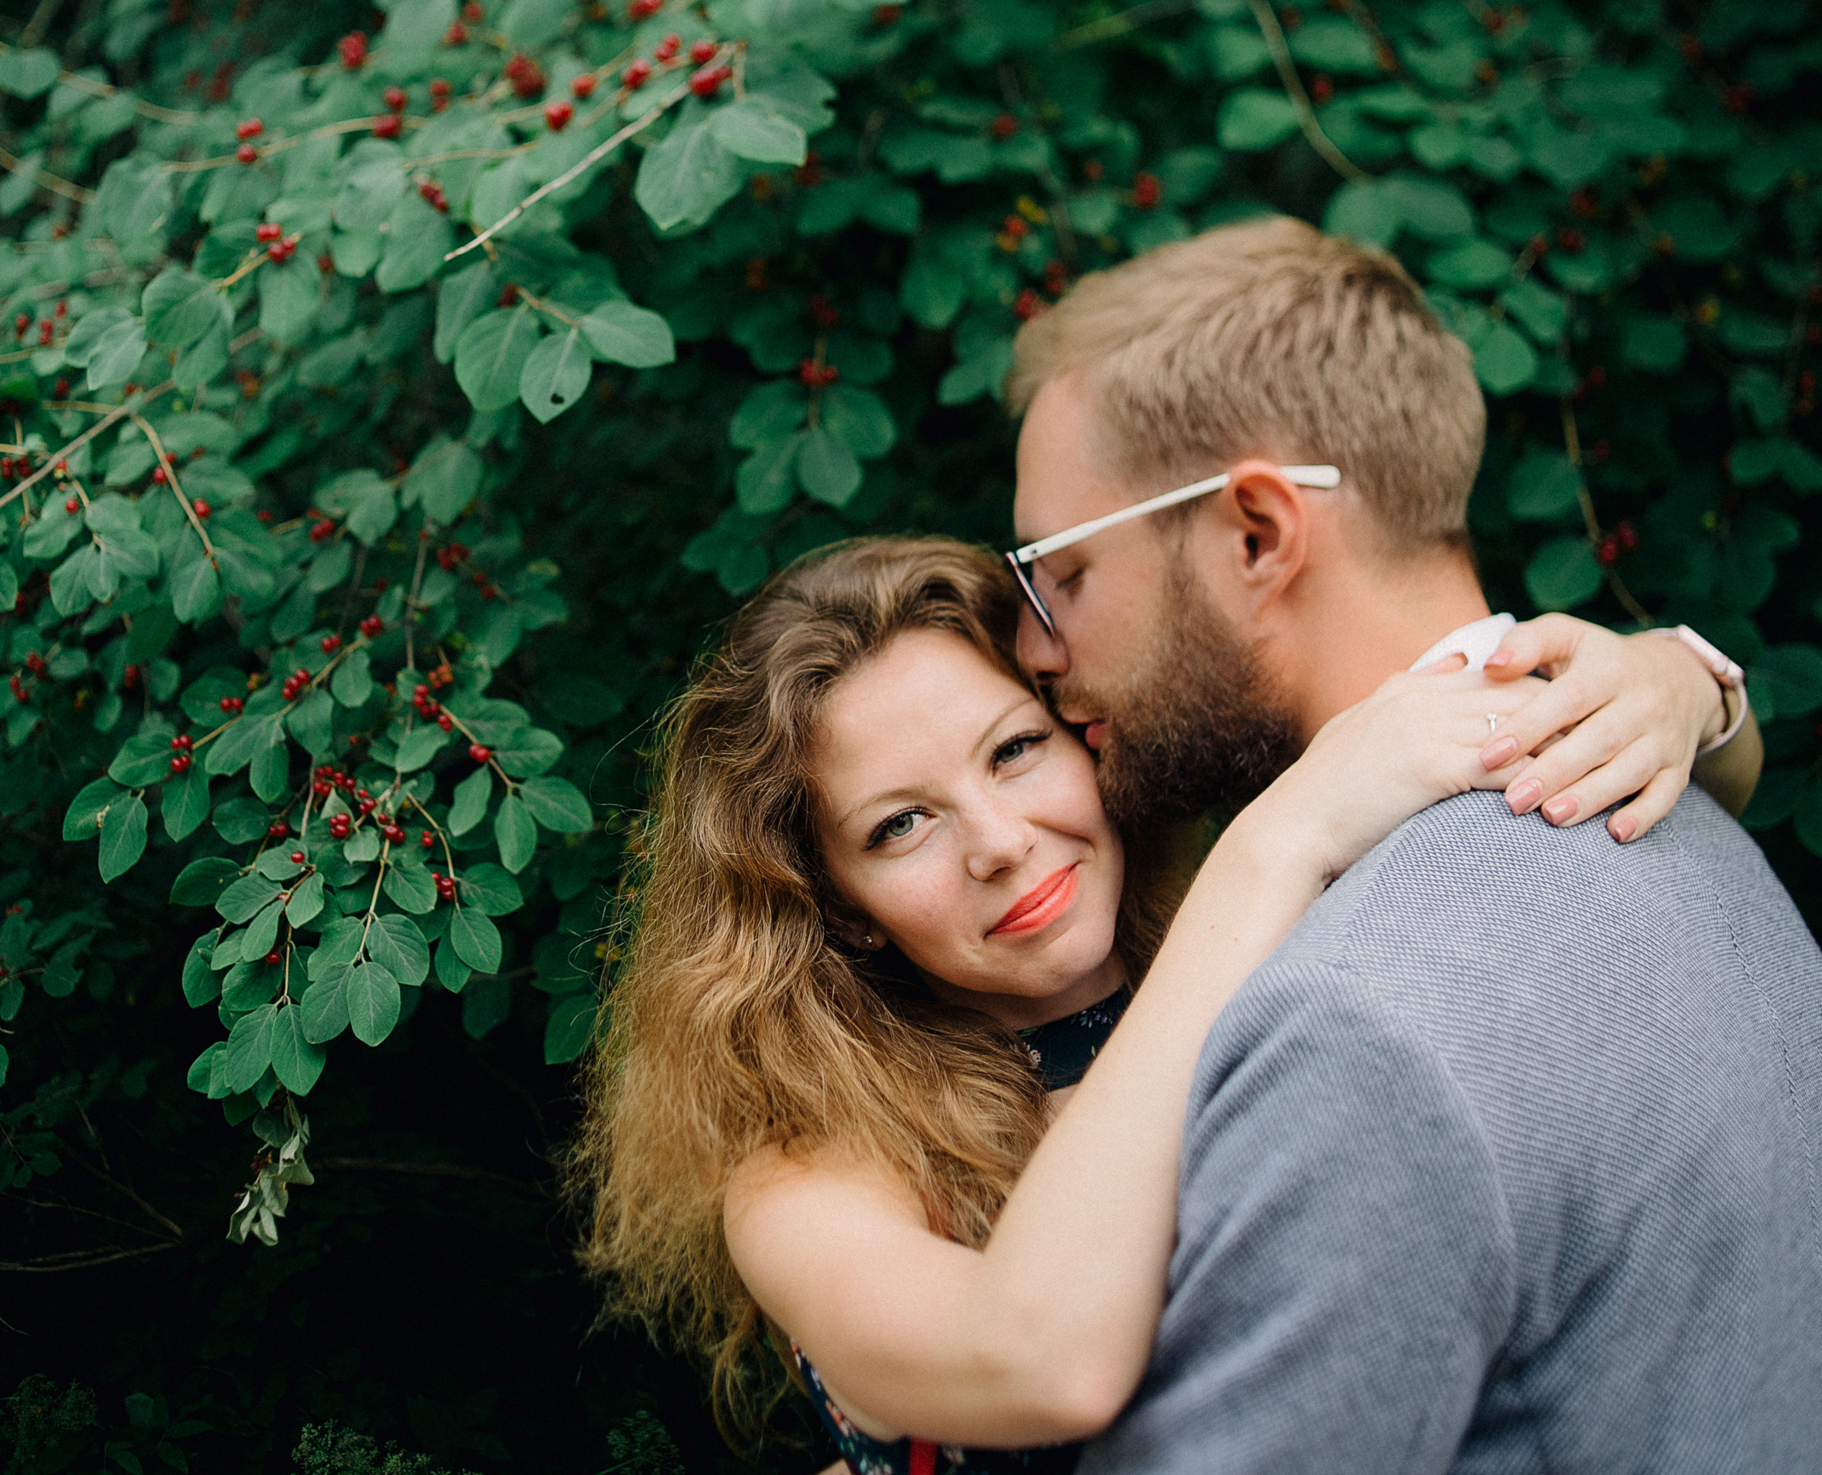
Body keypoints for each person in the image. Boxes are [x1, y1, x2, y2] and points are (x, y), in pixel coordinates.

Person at [572, 531, 1744, 1473]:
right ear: (843, 908)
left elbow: (1646, 756)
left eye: (1015, 749)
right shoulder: (809, 1172)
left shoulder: (1275, 927)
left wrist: (1679, 687)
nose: (999, 842)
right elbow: (1037, 1363)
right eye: (899, 824)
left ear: (1088, 733)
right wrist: (1273, 844)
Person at [995, 217, 1822, 1472]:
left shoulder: (1357, 1023)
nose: (1035, 649)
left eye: (1064, 573)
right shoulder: (1686, 817)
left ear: (1258, 534)